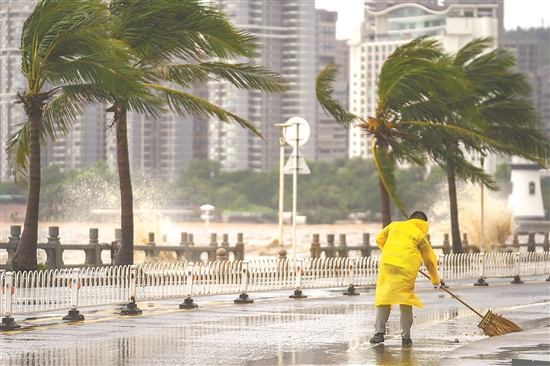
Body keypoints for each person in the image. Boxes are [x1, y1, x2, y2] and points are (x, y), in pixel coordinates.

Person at [369, 211, 441, 348]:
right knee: (405, 299)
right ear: (424, 224)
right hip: (406, 268)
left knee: (384, 297)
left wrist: (391, 252)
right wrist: (435, 280)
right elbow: (429, 261)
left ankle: (378, 334)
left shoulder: (393, 225)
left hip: (387, 265)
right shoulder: (419, 235)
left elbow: (379, 239)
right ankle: (406, 338)